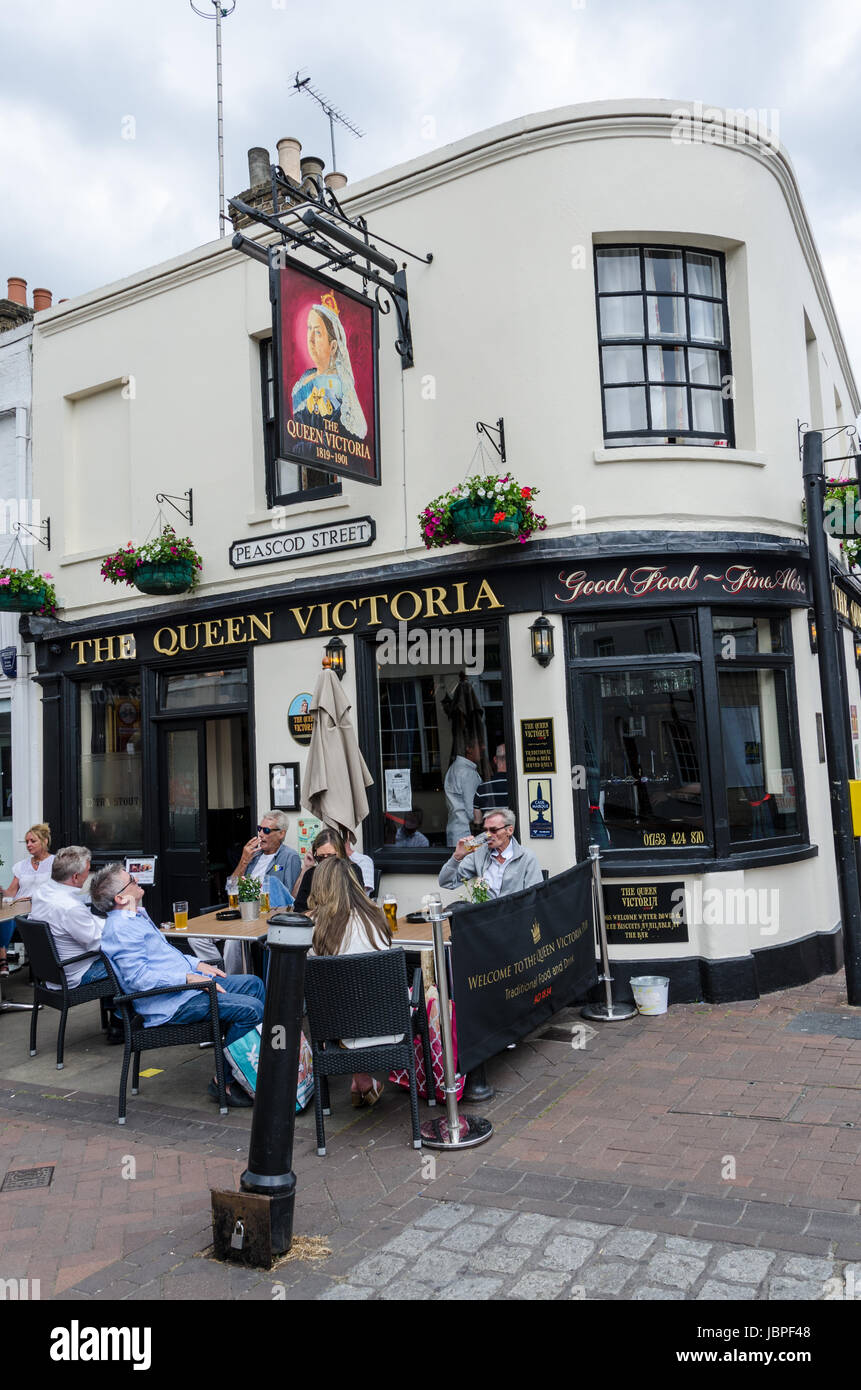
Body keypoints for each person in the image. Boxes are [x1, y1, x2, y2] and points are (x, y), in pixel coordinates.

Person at [92, 863, 264, 1109]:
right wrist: (188, 978)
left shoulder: (135, 916)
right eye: (131, 879)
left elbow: (167, 956)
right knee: (251, 1009)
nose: (136, 880)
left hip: (183, 990)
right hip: (169, 1003)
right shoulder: (121, 929)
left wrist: (198, 965)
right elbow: (139, 979)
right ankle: (224, 1081)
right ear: (120, 897)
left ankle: (253, 1065)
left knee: (253, 985)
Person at [307, 856, 400, 1106]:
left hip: (341, 1028)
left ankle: (359, 1081)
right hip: (388, 1022)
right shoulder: (378, 919)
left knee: (331, 996)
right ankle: (362, 1081)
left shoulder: (315, 928)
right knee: (359, 992)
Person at [190, 811, 301, 973]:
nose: (261, 834)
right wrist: (243, 860)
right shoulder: (253, 856)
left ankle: (233, 984)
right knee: (195, 937)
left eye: (267, 830)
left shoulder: (289, 857)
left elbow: (289, 897)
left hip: (263, 916)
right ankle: (217, 974)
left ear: (281, 834)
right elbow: (231, 889)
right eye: (259, 829)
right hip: (240, 912)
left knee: (233, 942)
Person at [291, 296, 368, 446]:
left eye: (318, 333)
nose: (310, 338)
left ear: (333, 346)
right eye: (309, 329)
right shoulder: (304, 380)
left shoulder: (339, 385)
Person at [30, 845, 108, 990]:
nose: (89, 875)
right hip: (75, 974)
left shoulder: (41, 893)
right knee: (131, 960)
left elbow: (79, 923)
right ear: (75, 877)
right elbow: (100, 945)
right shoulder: (70, 907)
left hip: (52, 974)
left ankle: (117, 1009)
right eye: (87, 871)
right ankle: (122, 1012)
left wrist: (107, 923)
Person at [438, 807, 544, 898]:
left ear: (509, 830)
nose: (488, 835)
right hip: (485, 916)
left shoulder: (526, 857)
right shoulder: (479, 854)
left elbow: (535, 896)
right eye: (486, 830)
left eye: (493, 830)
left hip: (513, 916)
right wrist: (457, 857)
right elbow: (447, 883)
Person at [1, 823, 54, 977]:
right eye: (27, 842)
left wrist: (35, 897)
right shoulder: (21, 866)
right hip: (20, 911)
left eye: (33, 841)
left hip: (43, 910)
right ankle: (3, 960)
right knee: (6, 918)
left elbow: (59, 889)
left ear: (45, 841)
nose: (29, 845)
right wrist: (2, 892)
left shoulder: (55, 863)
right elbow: (11, 891)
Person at [292, 827, 364, 913]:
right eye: (320, 857)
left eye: (331, 856)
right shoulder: (310, 874)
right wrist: (306, 867)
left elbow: (358, 906)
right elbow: (299, 909)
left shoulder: (352, 871)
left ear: (340, 852)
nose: (326, 861)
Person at [444, 739, 482, 847]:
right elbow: (472, 811)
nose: (483, 747)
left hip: (454, 828)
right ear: (469, 749)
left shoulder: (453, 768)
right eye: (479, 745)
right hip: (467, 833)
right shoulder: (468, 773)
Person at [474, 744, 509, 821]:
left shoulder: (482, 789)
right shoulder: (520, 786)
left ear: (495, 760)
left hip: (491, 833)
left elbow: (478, 822)